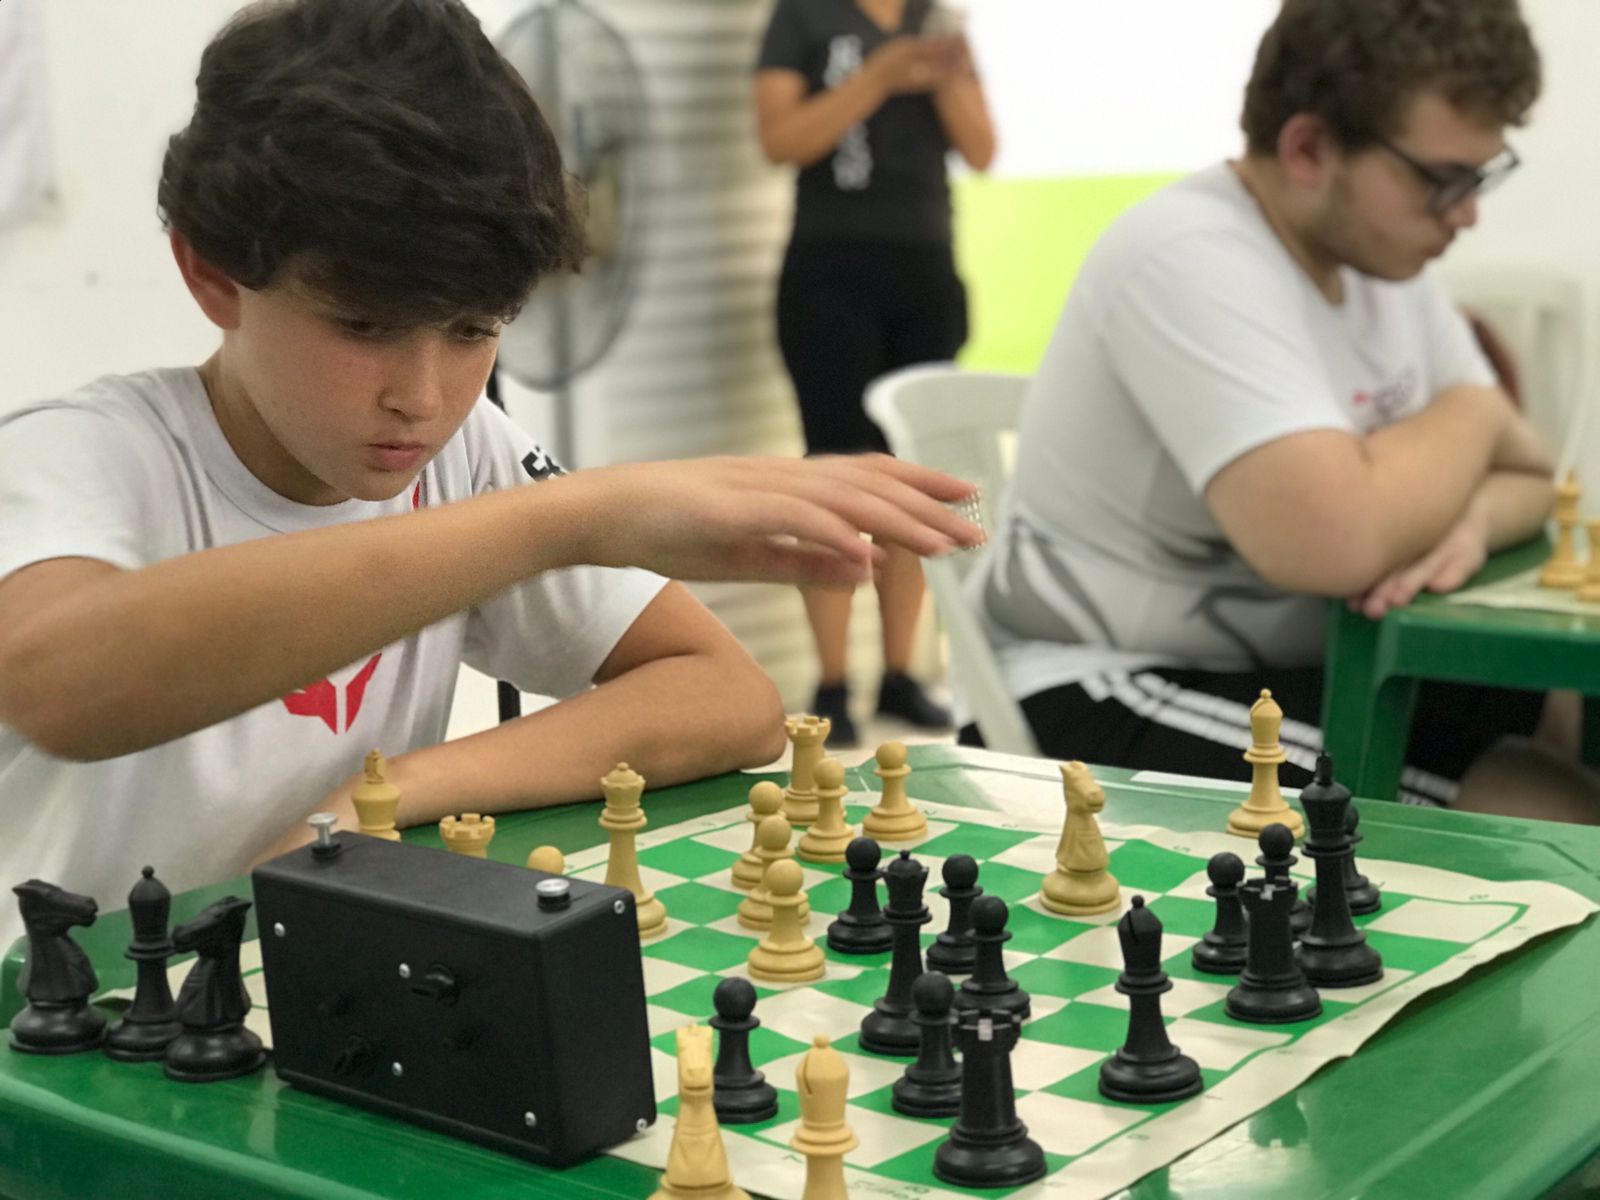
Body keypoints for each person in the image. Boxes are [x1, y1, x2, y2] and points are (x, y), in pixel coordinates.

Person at [0, 0, 983, 952]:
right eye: (365, 326)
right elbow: (62, 682)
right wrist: (564, 518)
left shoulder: (469, 445)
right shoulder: (81, 453)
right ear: (213, 273)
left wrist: (386, 794)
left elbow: (729, 699)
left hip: (281, 1004)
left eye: (475, 330)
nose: (422, 399)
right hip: (47, 1045)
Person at [968, 0, 1567, 813]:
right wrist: (1474, 410)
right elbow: (1336, 544)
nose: (1467, 214)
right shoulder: (1186, 258)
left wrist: (1464, 521)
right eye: (1441, 181)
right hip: (1102, 682)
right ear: (1310, 148)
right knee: (1555, 814)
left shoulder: (1382, 261)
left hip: (1314, 661)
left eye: (1482, 177)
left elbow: (1535, 475)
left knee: (1565, 712)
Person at [755, 0, 996, 746]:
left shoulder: (937, 20)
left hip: (923, 269)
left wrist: (946, 76)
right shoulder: (802, 15)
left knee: (913, 480)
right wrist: (881, 75)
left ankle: (901, 673)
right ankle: (832, 683)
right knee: (835, 470)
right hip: (830, 272)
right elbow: (783, 138)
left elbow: (983, 149)